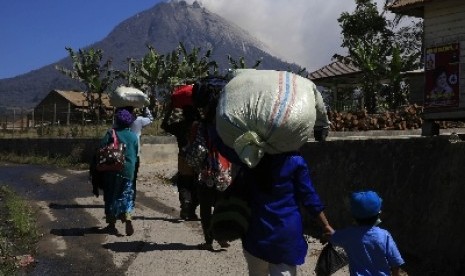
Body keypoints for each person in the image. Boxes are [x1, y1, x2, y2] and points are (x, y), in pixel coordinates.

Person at [234, 151, 334, 276]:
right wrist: (325, 225)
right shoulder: (295, 161)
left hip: (255, 232)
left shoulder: (250, 159)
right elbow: (309, 197)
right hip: (285, 234)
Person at [330, 190, 405, 275]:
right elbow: (395, 262)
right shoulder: (384, 235)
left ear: (354, 216)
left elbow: (332, 237)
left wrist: (325, 234)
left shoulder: (348, 234)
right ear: (378, 214)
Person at [99, 108, 139, 236]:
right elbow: (136, 153)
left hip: (113, 169)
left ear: (117, 120)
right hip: (129, 170)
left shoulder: (112, 133)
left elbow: (101, 147)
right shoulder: (133, 136)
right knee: (126, 194)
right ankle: (127, 216)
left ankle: (111, 225)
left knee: (111, 196)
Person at [129, 106, 153, 202]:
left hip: (121, 153)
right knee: (133, 178)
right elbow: (150, 119)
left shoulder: (119, 120)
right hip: (135, 153)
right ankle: (131, 199)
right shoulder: (138, 120)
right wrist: (146, 108)